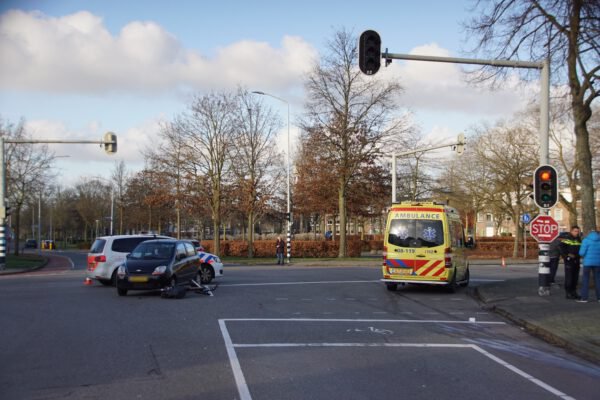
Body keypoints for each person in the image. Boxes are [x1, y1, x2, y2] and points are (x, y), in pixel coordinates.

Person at [560, 225, 582, 300]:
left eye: (578, 231)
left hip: (576, 260)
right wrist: (567, 255)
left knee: (575, 278)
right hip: (569, 261)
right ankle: (568, 293)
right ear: (571, 231)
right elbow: (561, 248)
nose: (577, 233)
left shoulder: (578, 239)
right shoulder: (567, 238)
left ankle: (574, 292)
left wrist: (579, 256)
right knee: (569, 277)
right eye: (575, 231)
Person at [577, 230, 600, 303]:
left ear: (589, 234)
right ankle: (599, 298)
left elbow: (581, 253)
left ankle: (584, 298)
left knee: (585, 280)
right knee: (598, 280)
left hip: (587, 263)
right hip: (598, 263)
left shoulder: (586, 240)